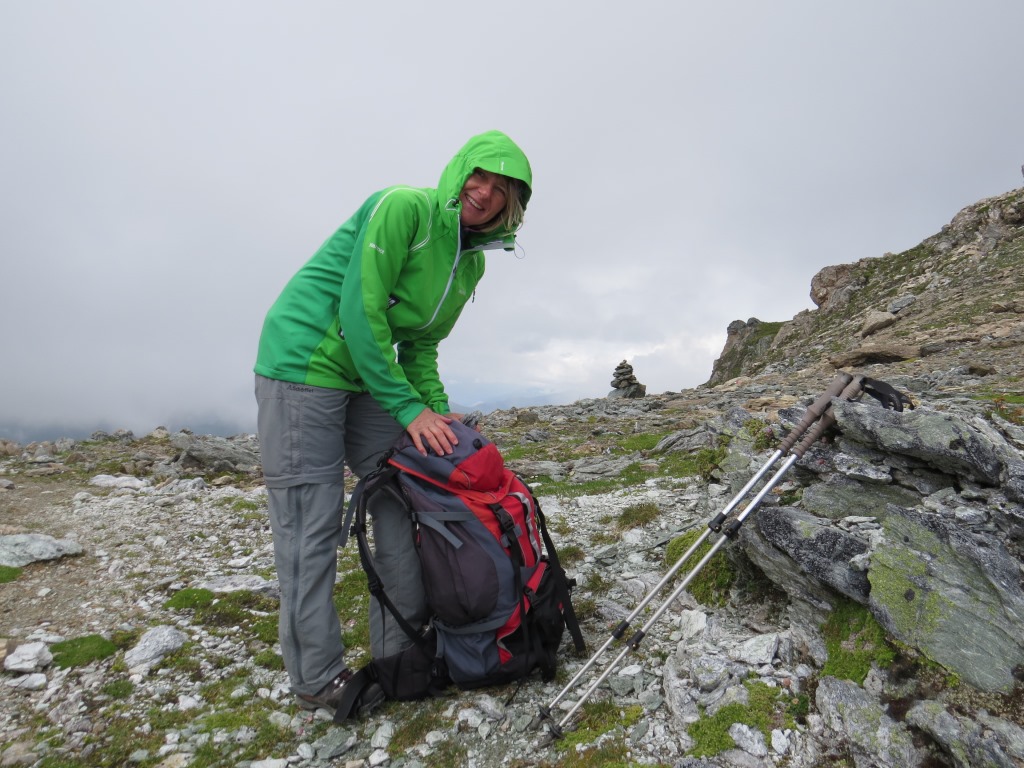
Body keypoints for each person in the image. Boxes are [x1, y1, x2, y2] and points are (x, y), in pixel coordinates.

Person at [253, 130, 532, 718]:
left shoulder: (469, 264)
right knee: (311, 524)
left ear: (513, 205)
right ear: (459, 173)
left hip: (366, 377)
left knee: (407, 496)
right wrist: (408, 409)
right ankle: (317, 679)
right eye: (478, 176)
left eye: (501, 188)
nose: (484, 192)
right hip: (303, 363)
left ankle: (401, 652)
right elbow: (360, 309)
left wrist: (433, 409)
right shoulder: (404, 208)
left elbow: (422, 347)